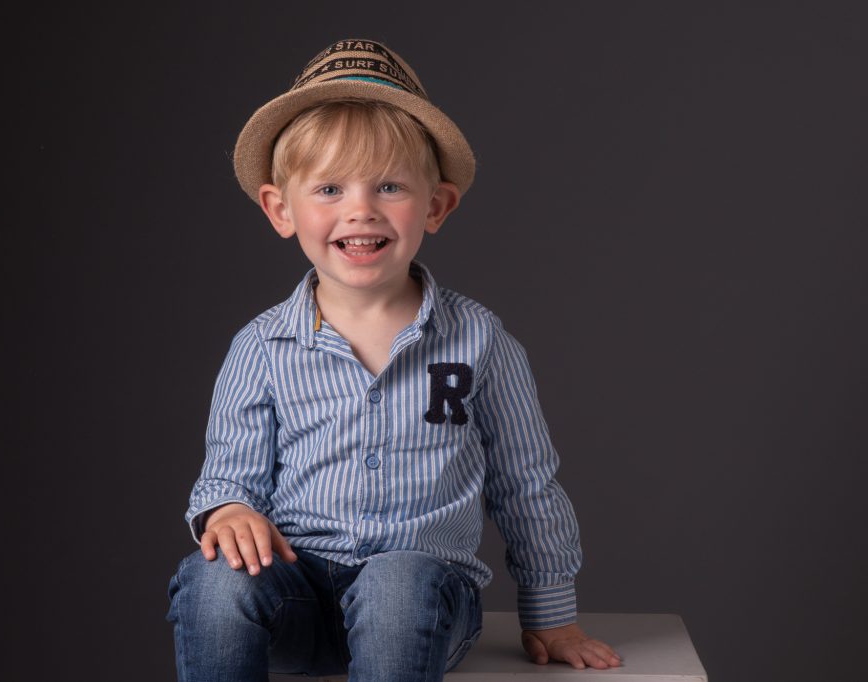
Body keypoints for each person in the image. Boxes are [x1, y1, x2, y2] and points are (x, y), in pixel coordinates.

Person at [166, 38, 622, 681]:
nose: (360, 209)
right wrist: (231, 510)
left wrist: (550, 611)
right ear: (280, 209)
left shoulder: (480, 340)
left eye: (389, 186)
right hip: (298, 597)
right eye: (328, 188)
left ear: (435, 206)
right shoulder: (261, 347)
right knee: (210, 582)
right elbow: (227, 476)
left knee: (398, 581)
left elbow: (526, 484)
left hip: (424, 602)